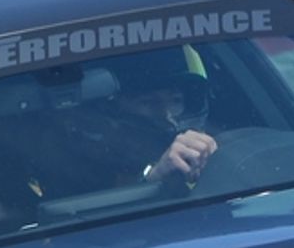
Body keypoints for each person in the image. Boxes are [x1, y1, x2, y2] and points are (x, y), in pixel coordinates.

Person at [35, 45, 220, 194]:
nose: (165, 114)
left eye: (175, 100)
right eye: (147, 102)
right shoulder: (82, 160)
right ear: (112, 111)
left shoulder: (210, 139)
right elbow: (99, 216)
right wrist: (155, 176)